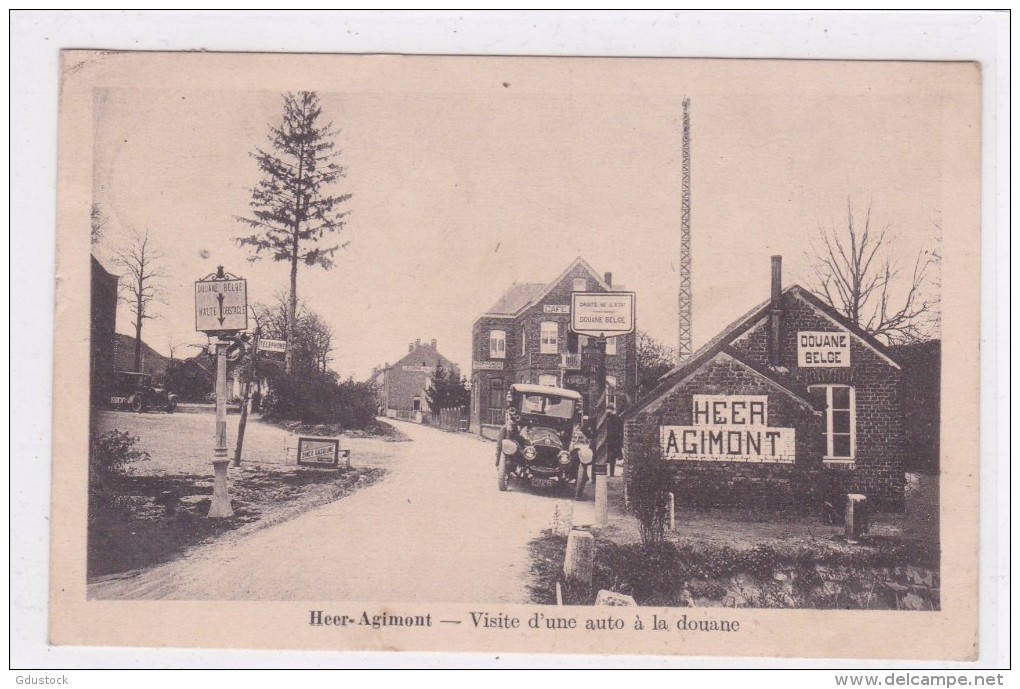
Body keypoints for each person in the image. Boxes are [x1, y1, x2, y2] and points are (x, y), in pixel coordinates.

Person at [606, 405, 624, 477]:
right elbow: (621, 431)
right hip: (615, 441)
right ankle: (611, 473)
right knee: (612, 458)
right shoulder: (618, 418)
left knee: (608, 458)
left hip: (607, 441)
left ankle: (605, 474)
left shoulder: (605, 418)